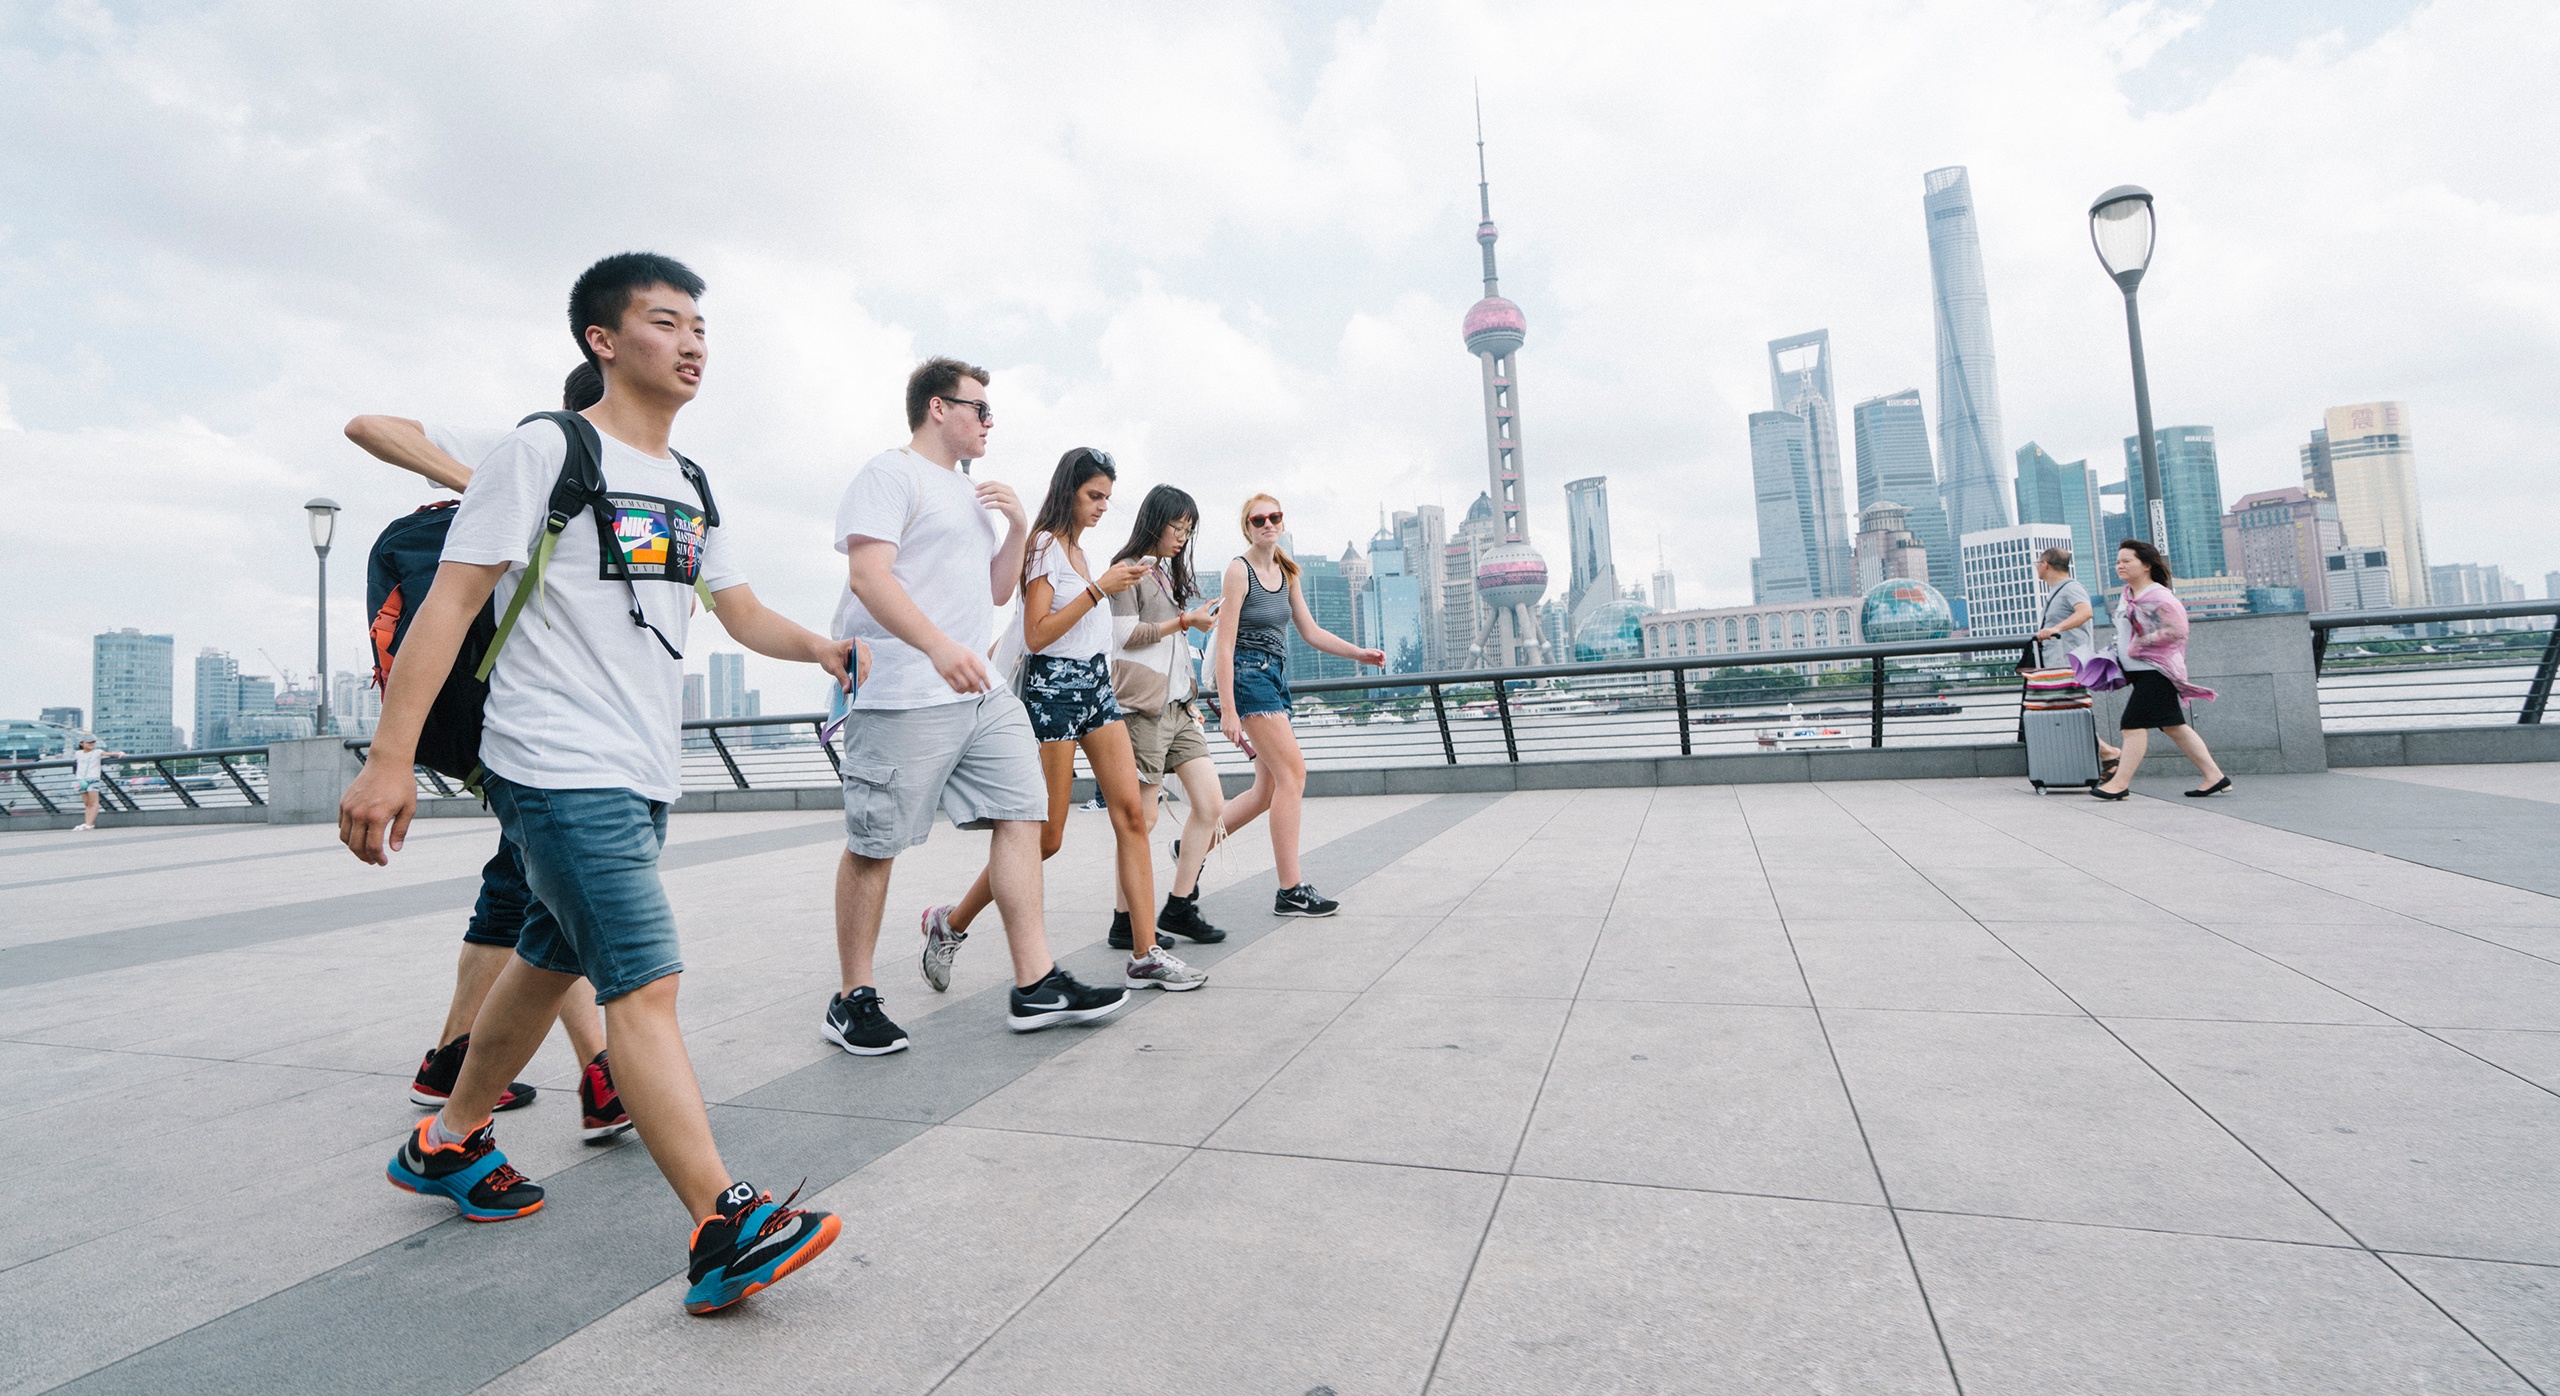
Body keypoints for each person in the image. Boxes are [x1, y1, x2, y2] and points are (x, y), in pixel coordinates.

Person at [339, 252, 857, 1314]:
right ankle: (727, 1222)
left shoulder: (691, 482)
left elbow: (737, 610)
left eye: (701, 326)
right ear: (604, 342)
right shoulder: (546, 448)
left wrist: (820, 646)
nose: (693, 342)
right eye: (666, 322)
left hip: (638, 765)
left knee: (547, 955)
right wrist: (388, 759)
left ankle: (447, 1137)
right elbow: (450, 602)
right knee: (644, 982)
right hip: (552, 760)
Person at [343, 362, 629, 1144]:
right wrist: (490, 484)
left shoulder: (625, 484)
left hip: (520, 717)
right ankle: (600, 1074)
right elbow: (368, 426)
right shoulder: (528, 449)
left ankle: (451, 1060)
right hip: (509, 721)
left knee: (522, 889)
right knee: (547, 891)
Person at [830, 358, 1130, 1052]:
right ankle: (853, 997)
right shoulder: (889, 475)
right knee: (876, 846)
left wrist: (1019, 522)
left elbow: (998, 593)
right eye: (980, 409)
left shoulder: (972, 494)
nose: (990, 422)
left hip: (980, 694)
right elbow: (868, 579)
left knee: (1026, 814)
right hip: (904, 690)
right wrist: (937, 647)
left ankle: (1035, 984)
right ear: (939, 408)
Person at [933, 452, 1209, 992]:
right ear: (1069, 491)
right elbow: (1037, 634)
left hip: (1097, 689)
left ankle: (1145, 951)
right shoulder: (1043, 546)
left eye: (1108, 496)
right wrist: (1100, 588)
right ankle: (951, 922)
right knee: (1048, 837)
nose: (1104, 506)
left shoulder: (1083, 553)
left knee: (1132, 816)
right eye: (1094, 495)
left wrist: (1101, 583)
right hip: (1052, 691)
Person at [1212, 494, 1385, 917]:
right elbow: (1224, 644)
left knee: (1267, 788)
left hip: (1275, 677)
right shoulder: (1239, 571)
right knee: (1293, 774)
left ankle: (1193, 844)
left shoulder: (1287, 571)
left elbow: (1309, 631)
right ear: (1247, 527)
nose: (1268, 524)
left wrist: (1358, 653)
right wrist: (1229, 709)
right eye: (1259, 519)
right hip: (1248, 678)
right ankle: (1290, 889)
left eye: (1275, 517)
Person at [1107, 485, 1229, 949]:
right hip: (1142, 709)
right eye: (1176, 527)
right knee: (1142, 819)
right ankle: (1124, 920)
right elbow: (1125, 635)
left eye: (1188, 530)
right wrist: (1185, 622)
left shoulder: (1162, 573)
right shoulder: (1127, 570)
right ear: (1154, 521)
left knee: (1211, 803)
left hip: (1179, 708)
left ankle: (1178, 905)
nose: (1181, 537)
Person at [2092, 538, 2231, 801]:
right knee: (2173, 725)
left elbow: (2177, 631)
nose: (2119, 565)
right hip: (2139, 671)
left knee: (2131, 726)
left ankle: (2119, 782)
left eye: (2126, 561)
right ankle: (2215, 776)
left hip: (2158, 671)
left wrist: (2137, 646)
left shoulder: (2158, 596)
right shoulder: (2128, 594)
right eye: (2118, 561)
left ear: (2145, 565)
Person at [2030, 545, 2120, 774]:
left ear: (2046, 565)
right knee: (2066, 710)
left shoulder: (2071, 588)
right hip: (2059, 663)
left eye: (2037, 563)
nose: (2037, 568)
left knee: (2072, 710)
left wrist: (2055, 628)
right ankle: (2106, 756)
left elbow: (2085, 612)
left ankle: (2108, 754)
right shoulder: (2057, 591)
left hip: (2071, 663)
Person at [71, 735, 123, 831]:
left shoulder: (97, 752)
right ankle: (87, 823)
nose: (91, 744)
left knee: (94, 802)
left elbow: (109, 754)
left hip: (93, 779)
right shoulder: (78, 753)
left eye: (93, 742)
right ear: (81, 743)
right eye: (88, 742)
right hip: (81, 780)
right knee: (87, 803)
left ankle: (90, 824)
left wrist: (119, 753)